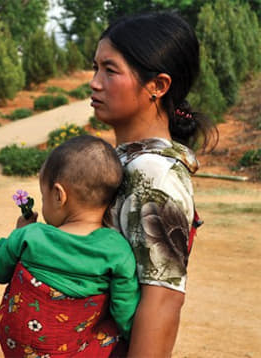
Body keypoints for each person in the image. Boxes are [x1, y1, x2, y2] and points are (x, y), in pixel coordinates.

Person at [90, 12, 219, 357]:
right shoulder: (127, 159)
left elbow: (162, 301)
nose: (95, 82)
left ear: (158, 86)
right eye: (95, 68)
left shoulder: (154, 174)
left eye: (110, 70)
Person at [0, 135, 140, 357]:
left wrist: (17, 232)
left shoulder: (30, 235)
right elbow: (125, 311)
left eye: (43, 195)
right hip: (72, 352)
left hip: (17, 348)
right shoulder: (117, 250)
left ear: (59, 195)